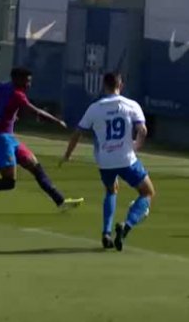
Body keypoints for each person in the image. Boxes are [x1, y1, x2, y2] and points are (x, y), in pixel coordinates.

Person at [0, 67, 84, 211]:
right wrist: (57, 121)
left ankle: (60, 202)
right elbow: (35, 112)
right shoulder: (17, 94)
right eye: (26, 81)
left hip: (10, 139)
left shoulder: (2, 87)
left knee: (36, 168)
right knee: (9, 182)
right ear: (16, 79)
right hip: (2, 141)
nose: (28, 84)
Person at [60, 73, 154, 251]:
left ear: (104, 86)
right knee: (147, 192)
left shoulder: (95, 108)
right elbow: (142, 129)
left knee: (111, 191)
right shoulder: (131, 105)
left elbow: (77, 133)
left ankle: (106, 232)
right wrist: (136, 146)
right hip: (126, 159)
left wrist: (67, 154)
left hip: (105, 160)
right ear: (121, 85)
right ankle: (126, 226)